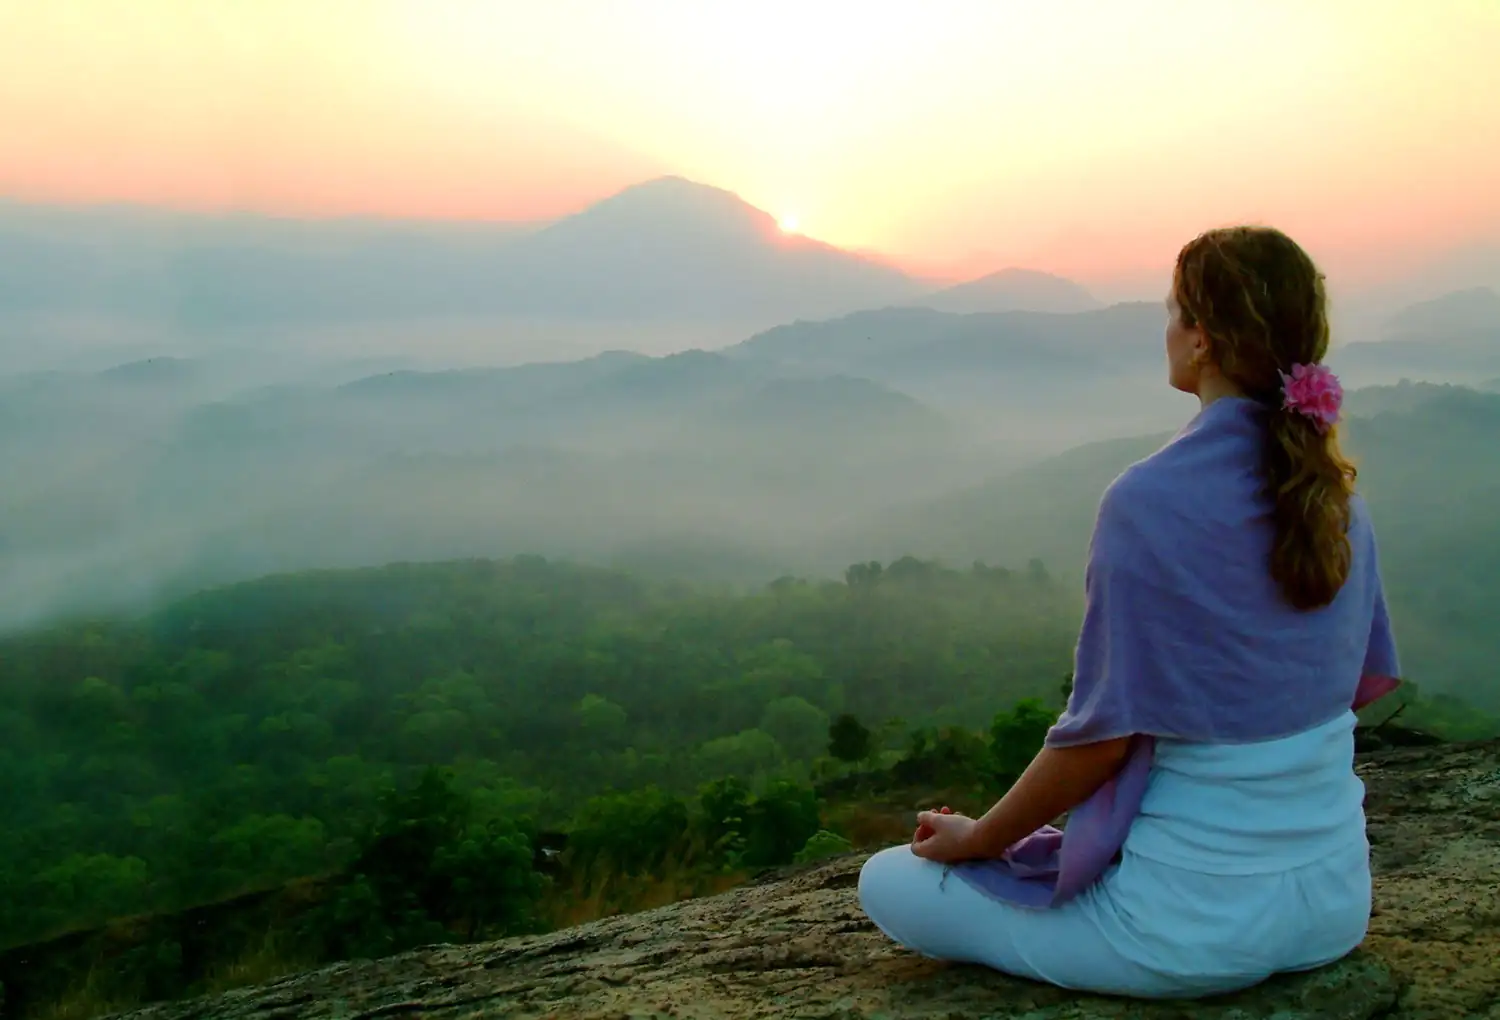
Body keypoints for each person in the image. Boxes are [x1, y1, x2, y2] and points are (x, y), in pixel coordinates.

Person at [857, 226, 1401, 999]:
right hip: (1334, 908)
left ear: (1204, 340)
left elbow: (1098, 745)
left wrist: (981, 838)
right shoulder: (1338, 503)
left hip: (1186, 933)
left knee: (889, 881)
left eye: (1175, 311)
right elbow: (1345, 687)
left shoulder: (1147, 502)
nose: (1168, 328)